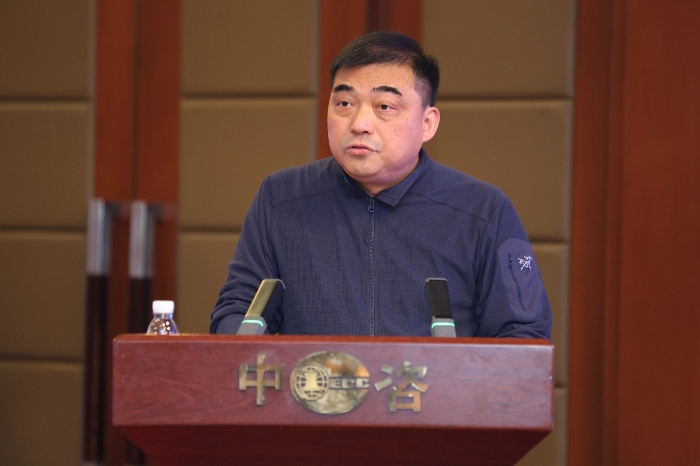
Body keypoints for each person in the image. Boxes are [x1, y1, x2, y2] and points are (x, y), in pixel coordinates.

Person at [210, 31, 552, 339]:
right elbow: (237, 310)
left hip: (428, 390)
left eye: (384, 106)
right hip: (314, 389)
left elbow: (525, 333)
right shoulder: (281, 197)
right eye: (344, 103)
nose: (359, 123)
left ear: (427, 123)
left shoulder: (484, 210)